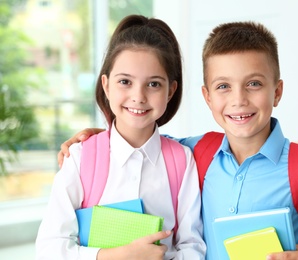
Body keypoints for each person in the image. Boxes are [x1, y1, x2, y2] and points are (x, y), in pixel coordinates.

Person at [58, 21, 298, 260]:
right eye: (223, 86)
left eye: (254, 84)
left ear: (277, 91)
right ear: (206, 96)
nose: (239, 100)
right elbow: (141, 140)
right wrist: (97, 137)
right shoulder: (194, 152)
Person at [36, 14, 206, 260]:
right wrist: (113, 256)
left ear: (171, 90)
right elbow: (50, 247)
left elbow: (192, 246)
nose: (138, 96)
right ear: (106, 85)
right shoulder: (81, 157)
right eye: (125, 81)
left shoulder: (182, 159)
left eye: (154, 84)